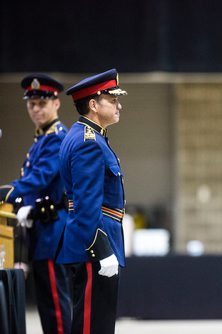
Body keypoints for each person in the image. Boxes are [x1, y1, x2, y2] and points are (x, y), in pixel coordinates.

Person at [0, 74, 72, 334]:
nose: (36, 109)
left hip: (53, 230)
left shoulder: (57, 138)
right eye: (31, 105)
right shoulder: (41, 140)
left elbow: (39, 178)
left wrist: (6, 192)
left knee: (55, 300)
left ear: (56, 104)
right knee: (45, 302)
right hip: (40, 231)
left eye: (42, 103)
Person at [57, 68, 127, 334]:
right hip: (93, 247)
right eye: (112, 100)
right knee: (91, 325)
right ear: (94, 104)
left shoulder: (86, 136)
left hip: (90, 244)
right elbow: (86, 205)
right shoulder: (89, 142)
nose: (119, 105)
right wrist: (102, 250)